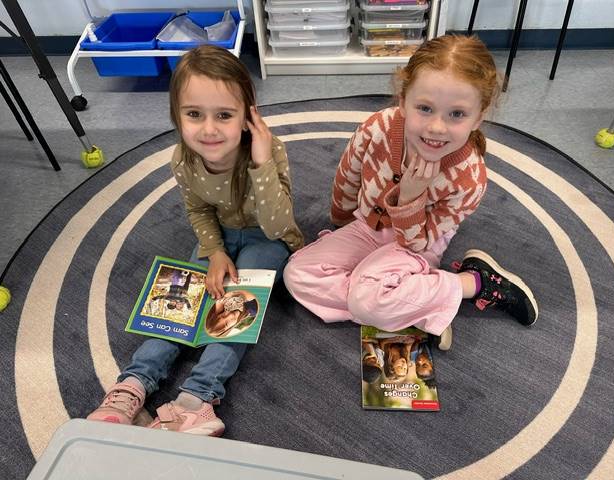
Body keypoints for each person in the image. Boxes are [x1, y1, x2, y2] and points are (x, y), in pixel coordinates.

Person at [87, 45, 304, 436]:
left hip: (268, 239)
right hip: (219, 236)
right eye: (194, 115)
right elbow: (199, 211)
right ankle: (134, 382)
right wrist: (215, 251)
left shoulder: (269, 151)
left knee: (235, 306)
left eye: (224, 115)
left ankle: (198, 398)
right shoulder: (183, 160)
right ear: (177, 117)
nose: (208, 129)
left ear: (248, 117)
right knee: (180, 298)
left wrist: (260, 161)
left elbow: (277, 224)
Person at [283, 35, 537, 350]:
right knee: (296, 273)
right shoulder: (377, 128)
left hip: (416, 246)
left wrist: (410, 198)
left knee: (368, 301)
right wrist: (340, 223)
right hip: (366, 226)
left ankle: (475, 282)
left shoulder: (469, 178)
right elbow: (348, 175)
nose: (437, 128)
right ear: (403, 100)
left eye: (456, 114)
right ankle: (412, 306)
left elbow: (416, 243)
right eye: (425, 108)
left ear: (479, 116)